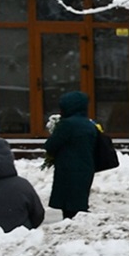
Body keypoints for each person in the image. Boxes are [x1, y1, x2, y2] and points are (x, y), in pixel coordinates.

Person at [44, 90, 101, 219]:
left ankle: (73, 229)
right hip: (85, 168)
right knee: (79, 203)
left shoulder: (67, 125)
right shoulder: (90, 124)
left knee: (69, 207)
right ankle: (79, 226)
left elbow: (50, 146)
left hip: (68, 169)